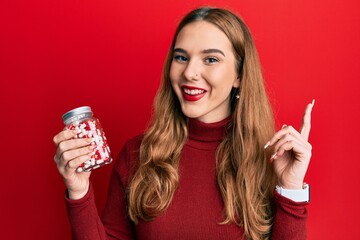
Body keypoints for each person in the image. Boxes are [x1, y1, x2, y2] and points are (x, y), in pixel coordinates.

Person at [53, 7, 314, 240]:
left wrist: (291, 190)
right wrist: (79, 192)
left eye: (211, 59)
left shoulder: (272, 159)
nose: (189, 72)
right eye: (181, 57)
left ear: (239, 75)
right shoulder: (137, 155)